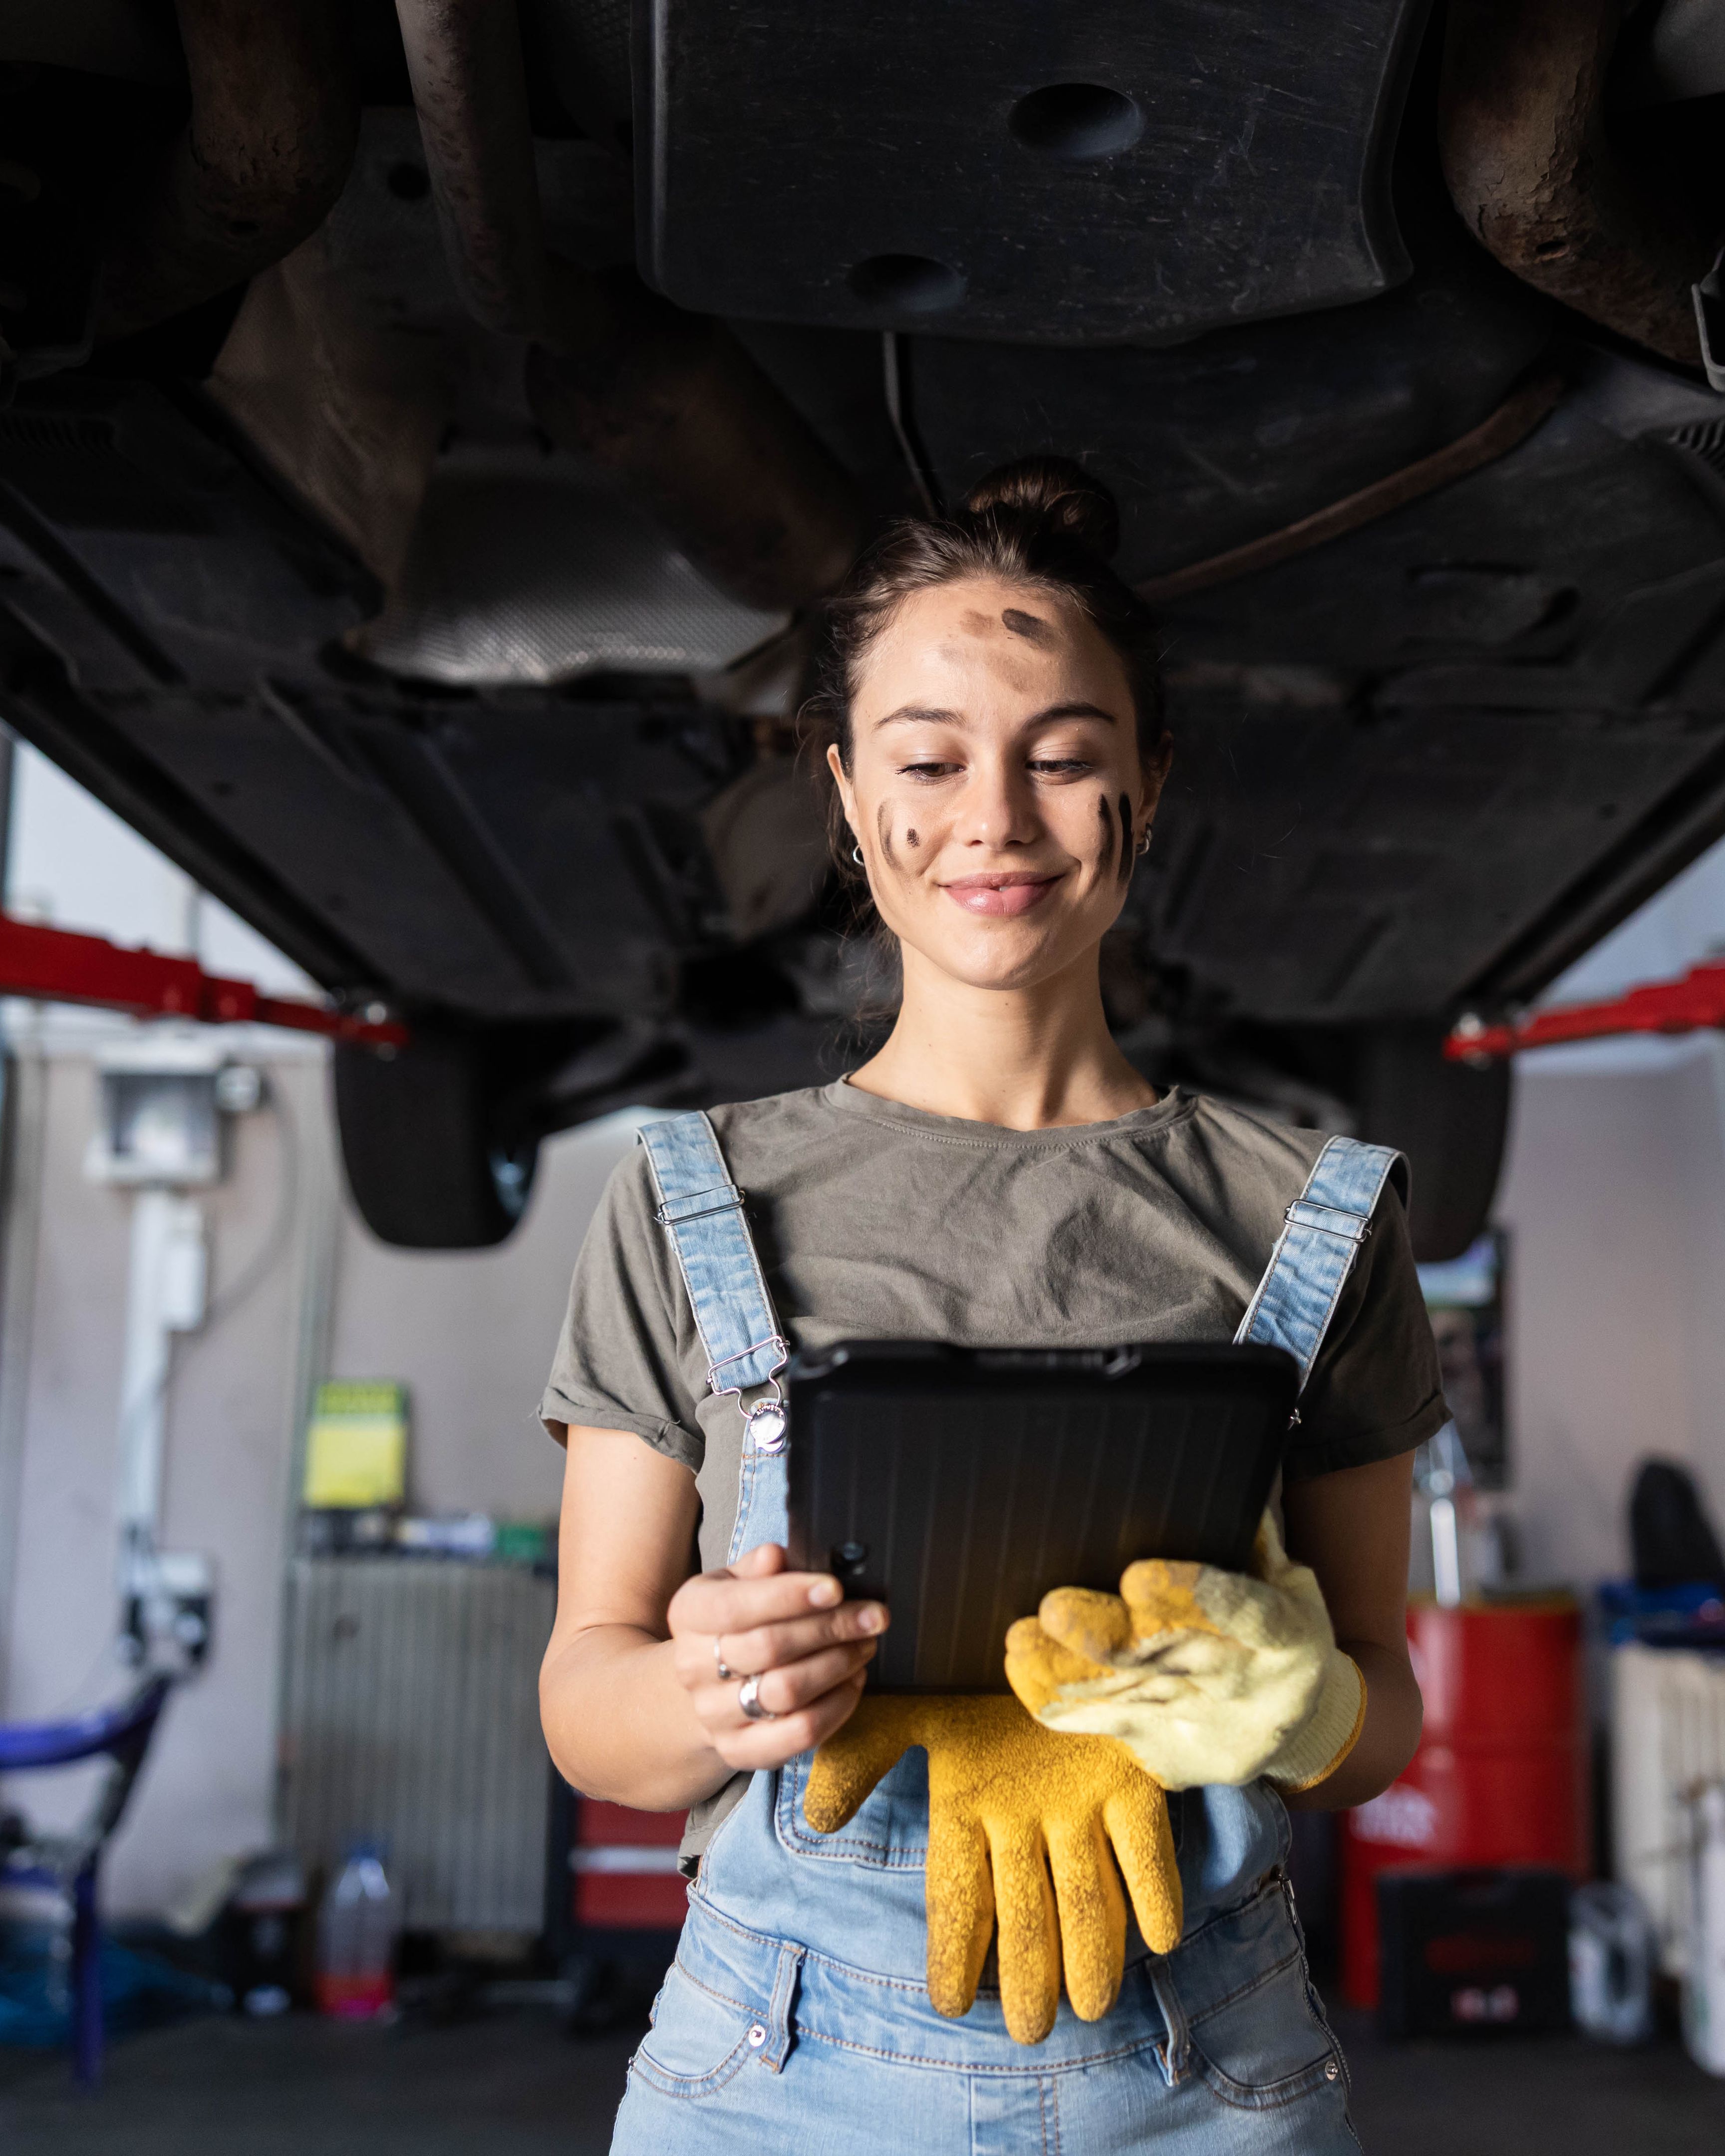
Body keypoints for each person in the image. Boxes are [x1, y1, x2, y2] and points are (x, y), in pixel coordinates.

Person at [540, 457, 1443, 2153]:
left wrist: (1308, 1708)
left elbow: (1380, 1709)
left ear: (1147, 786)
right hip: (779, 2077)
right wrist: (709, 1695)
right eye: (930, 760)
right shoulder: (689, 1203)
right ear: (844, 790)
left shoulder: (1314, 1222)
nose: (996, 822)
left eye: (1063, 758)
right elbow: (591, 1701)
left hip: (1205, 2075)